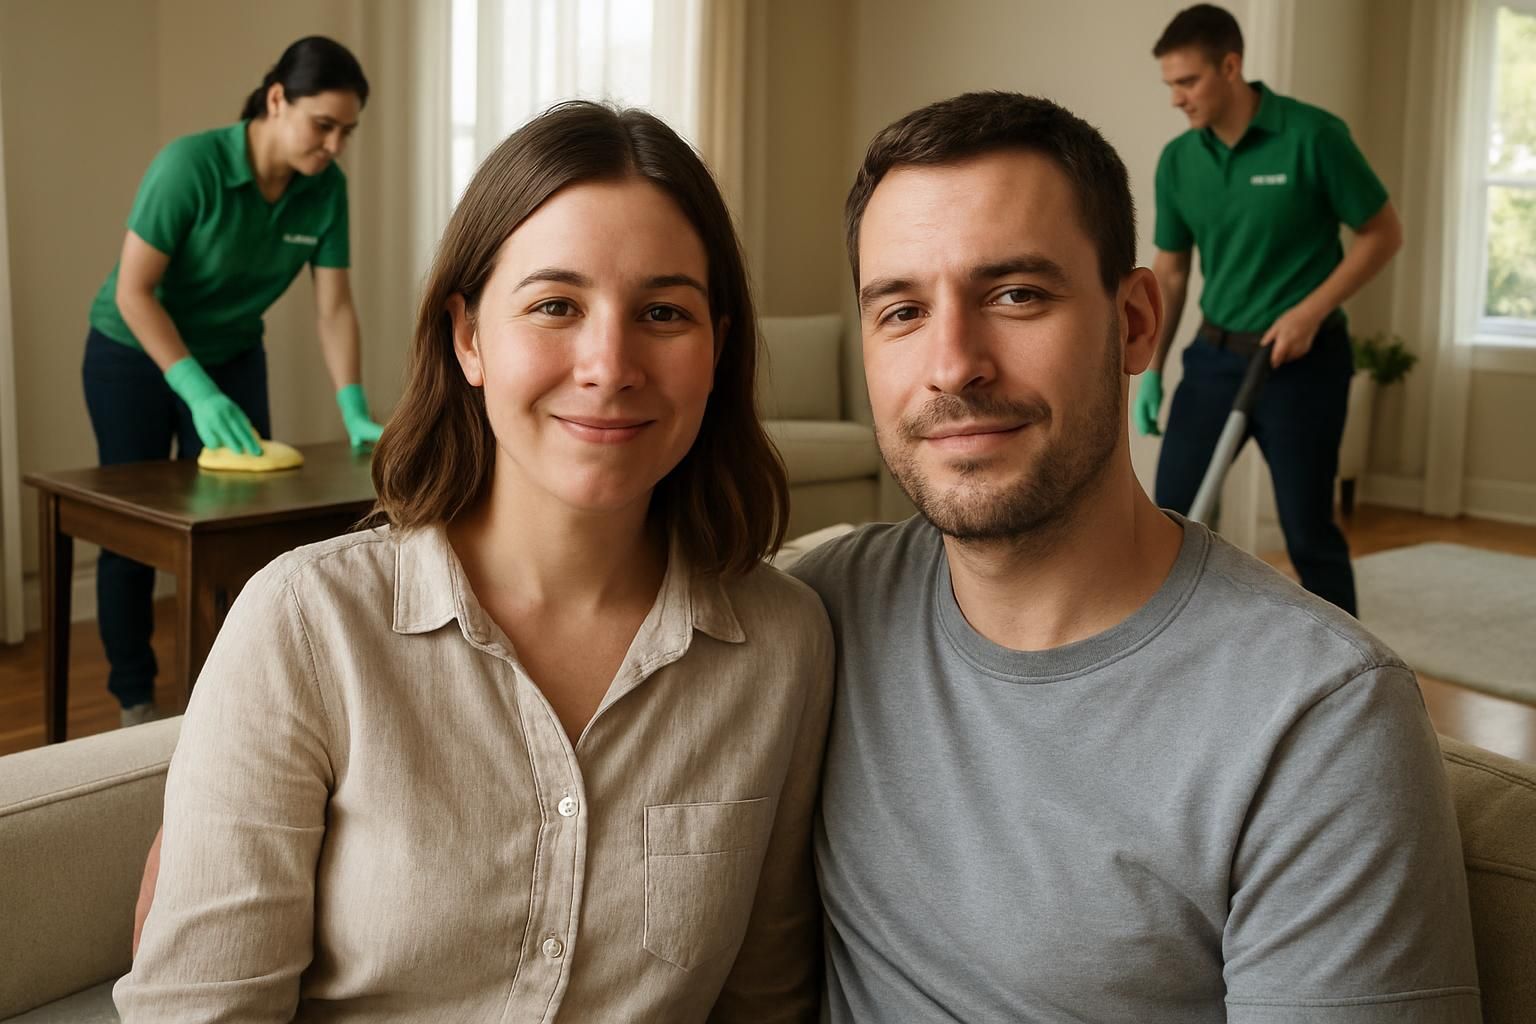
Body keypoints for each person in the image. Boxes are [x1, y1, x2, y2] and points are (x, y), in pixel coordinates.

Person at [116, 101, 831, 1021]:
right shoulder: (305, 625)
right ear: (468, 337)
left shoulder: (786, 646)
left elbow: (765, 1003)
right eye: (554, 306)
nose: (610, 364)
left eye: (662, 311)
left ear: (717, 347)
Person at [789, 91, 1479, 1023]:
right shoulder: (816, 616)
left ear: (1137, 322)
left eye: (1017, 294)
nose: (953, 364)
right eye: (902, 311)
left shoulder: (1321, 723)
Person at [83, 36, 387, 726]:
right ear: (278, 99)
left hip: (232, 352)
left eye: (348, 131)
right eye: (324, 125)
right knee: (130, 530)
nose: (336, 145)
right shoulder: (189, 165)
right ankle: (134, 697)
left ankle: (233, 694)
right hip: (131, 350)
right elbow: (135, 291)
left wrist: (353, 405)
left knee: (243, 528)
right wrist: (192, 387)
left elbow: (334, 305)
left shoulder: (325, 190)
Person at [1135, 4, 1403, 615]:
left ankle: (1351, 679)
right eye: (1169, 84)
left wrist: (1311, 311)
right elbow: (1172, 272)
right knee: (1169, 522)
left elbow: (1383, 233)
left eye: (1188, 81)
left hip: (1302, 363)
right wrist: (1152, 369)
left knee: (1309, 532)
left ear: (1231, 66)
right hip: (1213, 358)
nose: (1177, 98)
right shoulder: (1180, 161)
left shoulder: (1313, 136)